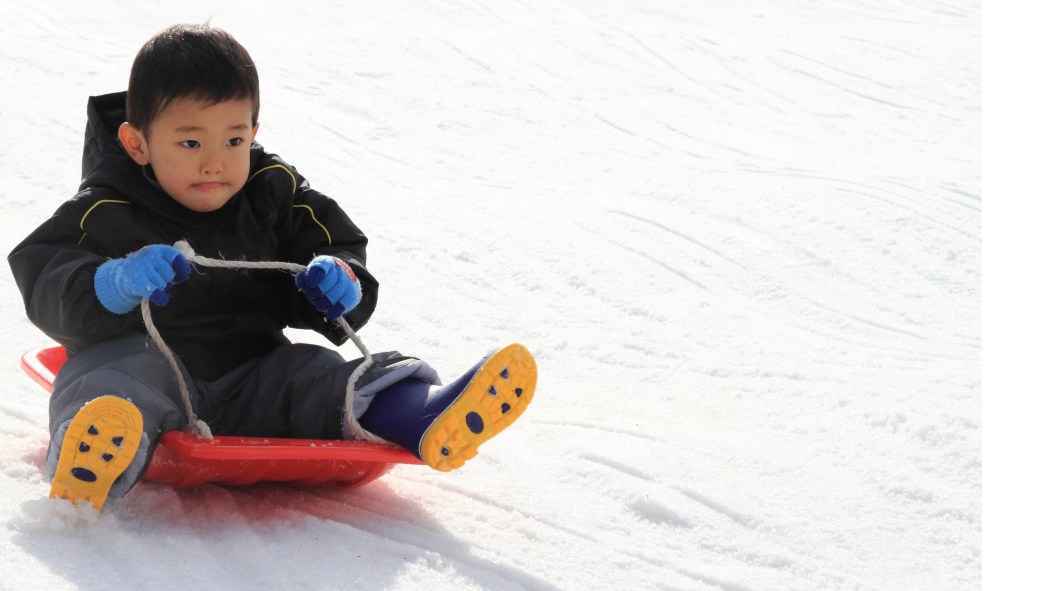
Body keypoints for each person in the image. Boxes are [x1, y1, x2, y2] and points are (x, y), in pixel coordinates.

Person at [7, 24, 537, 511]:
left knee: (319, 377)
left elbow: (337, 242)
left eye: (234, 140)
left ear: (254, 129)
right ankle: (95, 457)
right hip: (147, 366)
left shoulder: (273, 192)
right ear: (137, 143)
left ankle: (423, 414)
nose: (215, 161)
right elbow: (44, 272)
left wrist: (340, 280)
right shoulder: (105, 207)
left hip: (254, 369)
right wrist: (112, 284)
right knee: (110, 384)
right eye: (191, 142)